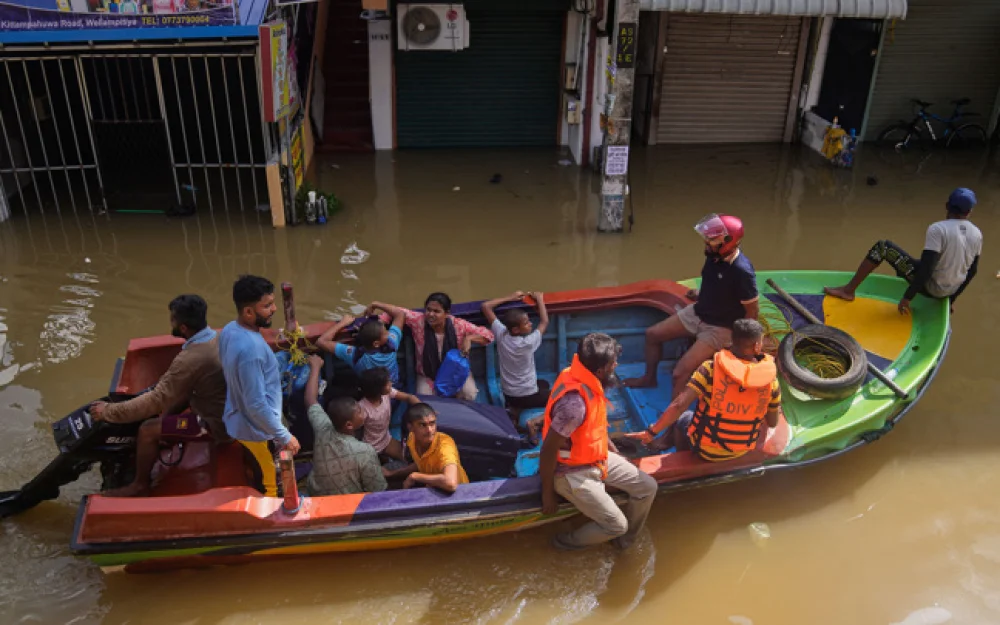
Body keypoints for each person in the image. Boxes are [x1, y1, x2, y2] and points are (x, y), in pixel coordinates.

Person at [89, 295, 227, 497]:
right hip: (220, 405)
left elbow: (155, 401)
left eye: (172, 319)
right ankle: (166, 428)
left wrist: (108, 412)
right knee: (176, 399)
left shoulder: (189, 360)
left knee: (147, 429)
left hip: (214, 424)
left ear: (183, 328)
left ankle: (140, 485)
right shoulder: (217, 337)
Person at [540, 333, 658, 551]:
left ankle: (625, 542)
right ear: (601, 371)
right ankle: (563, 543)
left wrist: (615, 454)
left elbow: (596, 427)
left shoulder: (583, 378)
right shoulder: (574, 406)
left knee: (648, 487)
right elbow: (547, 450)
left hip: (596, 458)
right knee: (616, 524)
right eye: (613, 363)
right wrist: (547, 494)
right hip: (571, 473)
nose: (617, 365)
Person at [624, 214, 758, 397]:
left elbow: (752, 310)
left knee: (680, 373)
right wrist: (702, 293)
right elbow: (715, 281)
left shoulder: (742, 271)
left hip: (720, 328)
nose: (706, 242)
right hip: (699, 311)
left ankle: (674, 420)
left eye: (712, 240)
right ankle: (649, 378)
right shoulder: (714, 255)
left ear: (728, 241)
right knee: (652, 335)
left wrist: (741, 342)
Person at [634, 319, 782, 461]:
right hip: (741, 450)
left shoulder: (710, 369)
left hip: (706, 450)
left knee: (682, 417)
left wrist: (651, 432)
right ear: (757, 346)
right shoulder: (771, 381)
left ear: (732, 339)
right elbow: (772, 422)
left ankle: (684, 457)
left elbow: (679, 405)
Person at [824, 187, 983, 315]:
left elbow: (927, 269)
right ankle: (945, 296)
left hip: (930, 288)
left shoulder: (938, 229)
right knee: (937, 259)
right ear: (969, 212)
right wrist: (951, 299)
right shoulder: (977, 234)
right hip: (950, 291)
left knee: (882, 247)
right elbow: (972, 271)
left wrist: (907, 297)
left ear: (947, 206)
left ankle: (848, 291)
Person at [219, 275, 300, 497]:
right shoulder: (251, 351)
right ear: (248, 312)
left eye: (273, 302)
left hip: (241, 417)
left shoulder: (228, 330)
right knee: (270, 483)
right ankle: (272, 516)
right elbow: (255, 404)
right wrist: (284, 436)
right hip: (255, 429)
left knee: (260, 467)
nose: (274, 309)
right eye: (266, 306)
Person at [366, 293, 494, 401]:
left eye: (436, 311)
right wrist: (379, 315)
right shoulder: (418, 321)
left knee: (470, 394)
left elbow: (489, 336)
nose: (430, 314)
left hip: (455, 371)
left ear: (447, 313)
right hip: (427, 374)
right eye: (428, 309)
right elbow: (397, 312)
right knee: (424, 400)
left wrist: (469, 338)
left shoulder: (459, 325)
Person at [302, 355, 387, 496]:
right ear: (349, 425)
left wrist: (315, 367)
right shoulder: (364, 451)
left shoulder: (322, 427)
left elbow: (310, 399)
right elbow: (378, 489)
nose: (363, 411)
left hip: (316, 494)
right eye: (360, 412)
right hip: (345, 505)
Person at [481, 290, 551, 411]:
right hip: (527, 396)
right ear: (516, 330)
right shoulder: (527, 343)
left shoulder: (501, 333)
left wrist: (510, 297)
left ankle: (514, 408)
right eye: (526, 323)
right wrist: (539, 299)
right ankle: (520, 412)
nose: (530, 324)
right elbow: (544, 321)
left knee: (543, 384)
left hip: (508, 394)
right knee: (558, 395)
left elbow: (485, 306)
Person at [386, 403, 469, 493]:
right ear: (410, 427)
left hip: (459, 495)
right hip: (434, 490)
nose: (429, 430)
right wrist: (392, 474)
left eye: (432, 423)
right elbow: (421, 463)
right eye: (422, 425)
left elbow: (451, 483)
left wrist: (416, 476)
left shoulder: (445, 445)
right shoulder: (412, 439)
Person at [316, 305, 405, 386]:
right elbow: (400, 314)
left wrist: (342, 323)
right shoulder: (392, 343)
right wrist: (376, 304)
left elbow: (321, 342)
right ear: (376, 343)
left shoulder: (354, 354)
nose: (388, 333)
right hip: (392, 388)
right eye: (386, 333)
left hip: (370, 392)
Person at [358, 366, 421, 462]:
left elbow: (409, 397)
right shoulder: (362, 408)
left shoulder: (387, 393)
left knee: (410, 459)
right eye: (387, 383)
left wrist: (425, 410)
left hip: (386, 440)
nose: (391, 383)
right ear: (377, 389)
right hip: (369, 448)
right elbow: (356, 432)